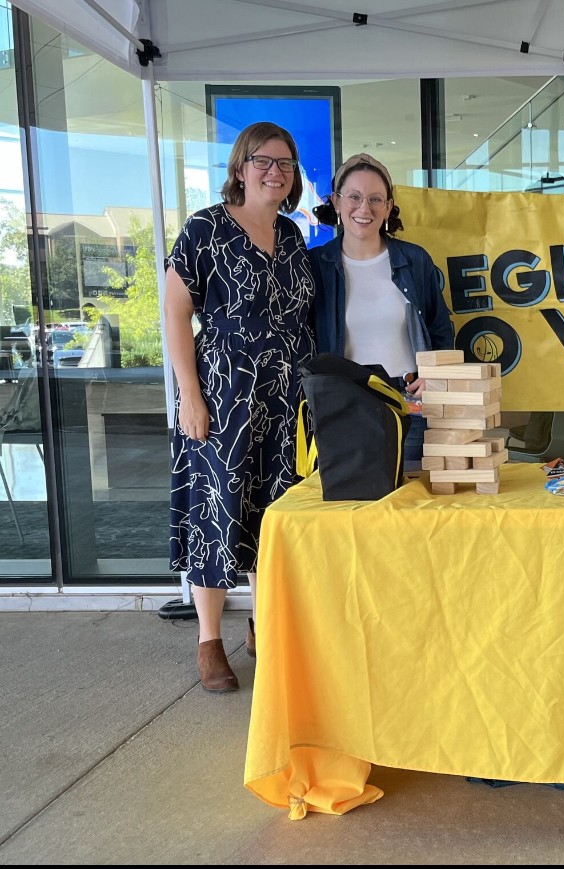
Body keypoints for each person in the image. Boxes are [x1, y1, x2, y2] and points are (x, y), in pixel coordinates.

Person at [164, 121, 316, 693]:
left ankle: (262, 622)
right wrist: (189, 396)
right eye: (263, 160)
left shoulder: (295, 236)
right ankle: (208, 640)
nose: (274, 171)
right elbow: (176, 314)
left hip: (285, 398)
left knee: (274, 511)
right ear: (240, 165)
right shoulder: (206, 227)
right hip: (223, 395)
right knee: (218, 510)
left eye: (285, 163)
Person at [309, 153, 454, 470]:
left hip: (408, 400)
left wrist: (434, 373)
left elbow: (440, 328)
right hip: (342, 400)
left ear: (388, 206)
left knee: (409, 501)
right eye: (354, 197)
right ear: (336, 201)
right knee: (349, 502)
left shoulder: (414, 261)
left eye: (376, 199)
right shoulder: (314, 266)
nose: (364, 208)